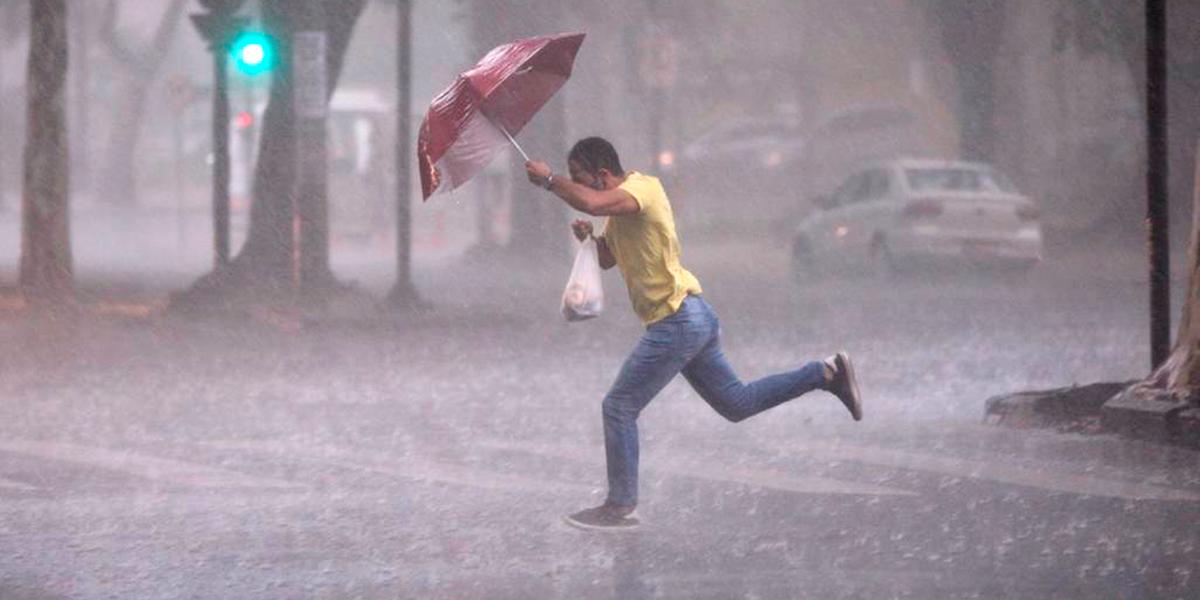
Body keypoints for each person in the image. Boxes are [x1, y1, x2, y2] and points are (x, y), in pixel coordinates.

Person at [525, 137, 863, 531]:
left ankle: (619, 506)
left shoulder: (642, 189)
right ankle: (826, 373)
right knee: (737, 403)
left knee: (618, 407)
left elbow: (592, 202)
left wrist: (551, 180)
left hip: (678, 321)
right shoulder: (617, 214)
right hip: (690, 318)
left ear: (603, 175)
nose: (580, 188)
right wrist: (590, 239)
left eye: (582, 179)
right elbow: (607, 258)